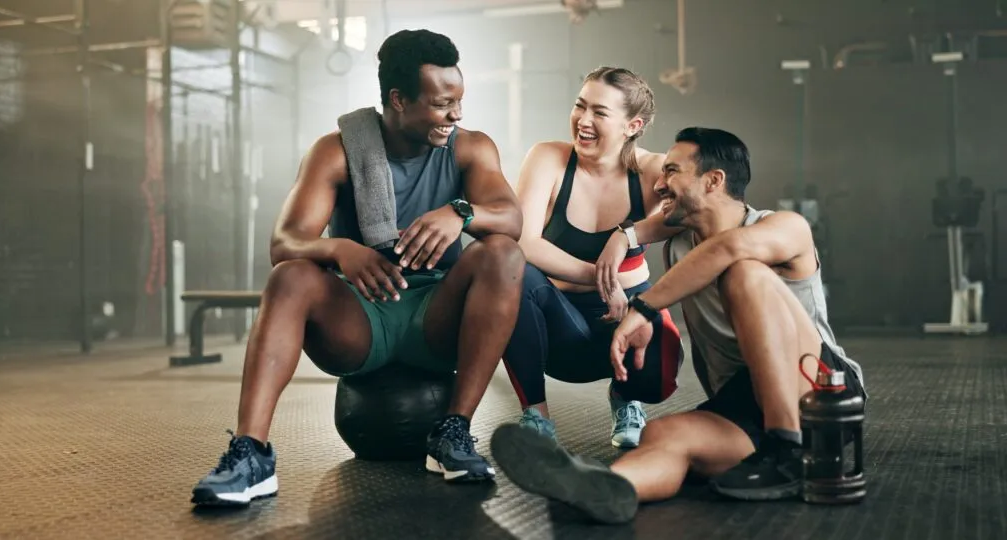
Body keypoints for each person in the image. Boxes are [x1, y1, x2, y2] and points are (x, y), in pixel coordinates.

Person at [191, 29, 526, 507]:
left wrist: (461, 212)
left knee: (503, 254)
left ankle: (453, 433)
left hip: (436, 313)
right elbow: (284, 242)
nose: (456, 114)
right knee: (290, 275)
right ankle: (252, 455)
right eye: (441, 103)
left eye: (458, 100)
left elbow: (511, 218)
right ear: (398, 99)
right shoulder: (336, 150)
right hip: (362, 318)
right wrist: (340, 249)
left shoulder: (470, 148)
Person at [490, 127, 867, 524]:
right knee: (663, 438)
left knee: (743, 275)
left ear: (714, 180)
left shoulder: (784, 227)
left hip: (823, 391)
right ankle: (605, 485)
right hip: (745, 404)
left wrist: (644, 307)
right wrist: (624, 235)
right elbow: (666, 227)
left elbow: (727, 247)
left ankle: (787, 448)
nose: (659, 183)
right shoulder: (681, 244)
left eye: (672, 171)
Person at [501, 66, 684, 449]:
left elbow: (692, 211)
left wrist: (626, 235)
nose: (583, 120)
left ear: (632, 125)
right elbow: (525, 241)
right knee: (512, 272)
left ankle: (626, 398)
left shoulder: (654, 169)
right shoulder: (548, 158)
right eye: (580, 106)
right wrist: (602, 279)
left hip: (626, 318)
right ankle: (537, 417)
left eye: (599, 113)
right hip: (556, 325)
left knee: (659, 369)